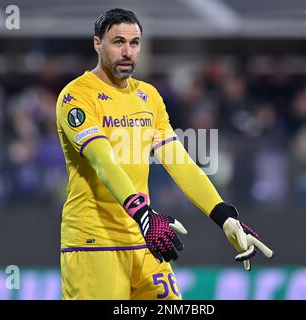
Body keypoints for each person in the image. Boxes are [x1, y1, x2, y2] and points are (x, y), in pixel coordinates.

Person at [56, 8, 273, 300]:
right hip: (94, 242)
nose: (127, 52)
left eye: (134, 43)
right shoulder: (76, 97)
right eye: (118, 42)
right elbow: (103, 162)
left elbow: (179, 161)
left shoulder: (148, 96)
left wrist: (223, 215)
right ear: (98, 44)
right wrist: (144, 215)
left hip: (145, 238)